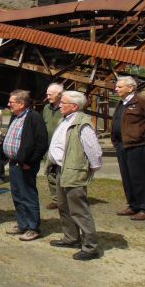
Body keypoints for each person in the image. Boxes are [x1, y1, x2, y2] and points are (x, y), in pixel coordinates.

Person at [48, 91, 103, 261]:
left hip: (73, 171)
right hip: (59, 169)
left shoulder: (83, 124)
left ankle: (90, 247)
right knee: (64, 207)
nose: (60, 105)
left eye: (64, 103)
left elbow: (94, 150)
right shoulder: (65, 120)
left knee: (79, 210)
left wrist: (90, 169)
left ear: (74, 106)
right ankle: (71, 238)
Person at [111, 76, 145, 221]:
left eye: (119, 87)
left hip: (136, 146)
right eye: (117, 86)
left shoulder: (141, 101)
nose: (116, 89)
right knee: (127, 177)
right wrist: (115, 140)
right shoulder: (122, 103)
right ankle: (133, 205)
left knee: (139, 177)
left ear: (130, 88)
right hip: (121, 144)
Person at [2, 90, 48, 242]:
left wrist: (30, 162)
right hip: (14, 163)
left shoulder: (34, 117)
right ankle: (22, 224)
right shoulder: (15, 116)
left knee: (28, 195)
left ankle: (33, 228)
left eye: (11, 102)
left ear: (21, 104)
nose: (8, 104)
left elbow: (41, 143)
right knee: (17, 195)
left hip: (26, 165)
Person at [41, 83, 64, 209]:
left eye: (50, 94)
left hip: (62, 148)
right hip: (48, 147)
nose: (47, 96)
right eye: (47, 93)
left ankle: (64, 199)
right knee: (49, 172)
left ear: (59, 95)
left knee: (62, 173)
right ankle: (55, 199)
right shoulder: (46, 108)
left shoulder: (66, 107)